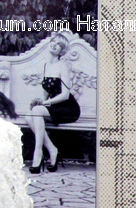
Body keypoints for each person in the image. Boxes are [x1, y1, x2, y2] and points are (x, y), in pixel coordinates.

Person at [27, 31, 81, 174]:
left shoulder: (62, 66)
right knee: (29, 115)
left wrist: (45, 104)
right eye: (54, 42)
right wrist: (40, 101)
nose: (55, 45)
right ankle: (52, 149)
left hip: (68, 108)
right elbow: (46, 92)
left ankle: (37, 154)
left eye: (59, 45)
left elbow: (65, 95)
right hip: (53, 105)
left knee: (37, 112)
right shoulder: (46, 66)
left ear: (61, 51)